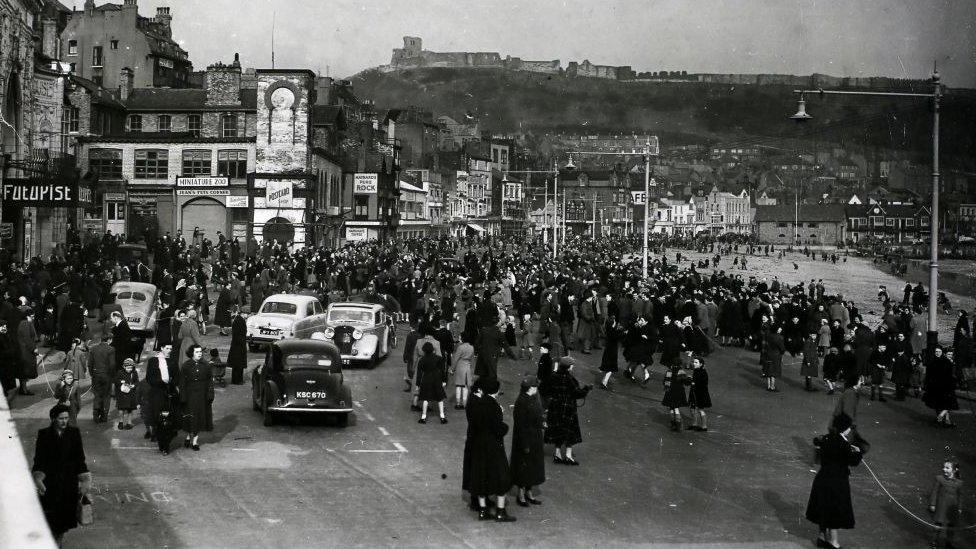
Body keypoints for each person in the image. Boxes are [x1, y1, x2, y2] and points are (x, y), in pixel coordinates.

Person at [32, 403, 92, 544]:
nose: (65, 421)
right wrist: (38, 478)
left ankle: (57, 542)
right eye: (61, 418)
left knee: (63, 523)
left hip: (68, 484)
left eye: (66, 418)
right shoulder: (44, 434)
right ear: (53, 419)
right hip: (50, 484)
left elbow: (80, 459)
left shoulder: (74, 433)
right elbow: (39, 460)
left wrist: (84, 479)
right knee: (51, 521)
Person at [805, 413, 863, 549]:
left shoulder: (826, 438)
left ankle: (821, 537)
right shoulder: (844, 444)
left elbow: (819, 452)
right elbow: (853, 461)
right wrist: (858, 452)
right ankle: (834, 542)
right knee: (834, 511)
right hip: (837, 481)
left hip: (822, 478)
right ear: (845, 428)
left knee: (823, 508)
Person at [465, 377, 516, 522]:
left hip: (478, 446)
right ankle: (501, 512)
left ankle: (483, 511)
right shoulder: (494, 406)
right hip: (493, 447)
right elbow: (499, 428)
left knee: (481, 477)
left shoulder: (477, 403)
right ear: (497, 391)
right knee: (501, 478)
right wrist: (505, 426)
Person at [543, 356, 591, 465]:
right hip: (568, 408)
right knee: (570, 432)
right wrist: (586, 389)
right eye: (572, 365)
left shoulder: (553, 376)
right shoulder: (569, 379)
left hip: (555, 407)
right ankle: (568, 456)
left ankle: (557, 454)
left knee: (558, 430)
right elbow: (577, 393)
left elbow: (545, 389)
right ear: (569, 367)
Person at [510, 377, 545, 507]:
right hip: (525, 439)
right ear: (530, 388)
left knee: (533, 467)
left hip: (535, 438)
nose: (536, 389)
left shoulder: (534, 398)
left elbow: (538, 414)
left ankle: (529, 492)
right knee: (523, 467)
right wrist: (525, 444)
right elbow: (520, 425)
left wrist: (542, 422)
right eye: (535, 387)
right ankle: (521, 493)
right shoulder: (521, 401)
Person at [179, 344, 214, 451]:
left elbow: (210, 381)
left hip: (202, 395)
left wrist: (210, 394)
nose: (200, 354)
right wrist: (183, 396)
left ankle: (195, 442)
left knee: (198, 417)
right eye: (197, 352)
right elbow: (182, 383)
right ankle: (188, 436)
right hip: (190, 395)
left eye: (200, 352)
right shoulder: (186, 366)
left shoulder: (206, 365)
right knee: (190, 417)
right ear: (192, 353)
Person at [145, 344, 179, 448]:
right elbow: (149, 378)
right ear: (162, 348)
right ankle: (159, 437)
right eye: (167, 348)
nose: (169, 351)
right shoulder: (153, 361)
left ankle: (165, 441)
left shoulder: (172, 361)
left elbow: (177, 376)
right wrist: (161, 382)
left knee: (170, 418)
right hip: (157, 392)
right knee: (158, 417)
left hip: (169, 392)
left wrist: (173, 384)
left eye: (171, 349)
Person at [928, 460, 963, 549]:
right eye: (944, 467)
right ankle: (934, 542)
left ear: (954, 470)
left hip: (951, 508)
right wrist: (932, 504)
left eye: (947, 468)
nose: (944, 469)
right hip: (941, 506)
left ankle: (948, 543)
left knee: (951, 527)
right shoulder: (939, 479)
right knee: (937, 525)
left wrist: (959, 508)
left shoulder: (959, 483)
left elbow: (960, 496)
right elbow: (934, 492)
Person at [924, 346, 959, 428]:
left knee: (948, 403)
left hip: (945, 386)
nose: (937, 353)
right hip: (935, 386)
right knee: (939, 404)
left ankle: (942, 419)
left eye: (939, 351)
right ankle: (943, 420)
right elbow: (929, 375)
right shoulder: (932, 361)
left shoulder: (946, 361)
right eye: (936, 351)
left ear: (942, 352)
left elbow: (950, 375)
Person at [415, 342, 448, 424]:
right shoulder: (439, 358)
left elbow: (419, 373)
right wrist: (444, 380)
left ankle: (423, 417)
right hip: (437, 379)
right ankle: (442, 416)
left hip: (426, 379)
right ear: (433, 349)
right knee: (440, 398)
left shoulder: (422, 360)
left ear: (424, 350)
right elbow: (443, 371)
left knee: (425, 399)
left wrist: (418, 384)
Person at [598, 315, 625, 389]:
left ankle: (604, 381)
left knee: (608, 368)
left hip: (607, 351)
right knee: (611, 369)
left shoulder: (609, 330)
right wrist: (622, 331)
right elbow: (618, 336)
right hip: (612, 352)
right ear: (613, 324)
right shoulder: (614, 332)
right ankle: (604, 382)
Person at [662, 361, 689, 432]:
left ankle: (672, 425)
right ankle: (678, 426)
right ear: (680, 364)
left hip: (670, 391)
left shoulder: (669, 371)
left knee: (671, 408)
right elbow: (686, 382)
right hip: (678, 392)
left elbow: (665, 382)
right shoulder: (681, 371)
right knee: (676, 408)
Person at [17, 308, 38, 396]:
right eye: (32, 316)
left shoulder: (25, 323)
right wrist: (33, 348)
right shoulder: (25, 324)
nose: (33, 318)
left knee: (24, 371)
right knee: (25, 371)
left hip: (25, 350)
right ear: (27, 316)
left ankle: (23, 389)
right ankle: (24, 390)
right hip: (25, 351)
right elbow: (27, 339)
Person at [686, 356, 711, 432]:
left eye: (696, 362)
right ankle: (694, 424)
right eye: (694, 362)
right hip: (694, 392)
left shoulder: (703, 372)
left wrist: (693, 383)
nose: (694, 363)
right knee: (692, 408)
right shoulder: (696, 370)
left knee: (700, 409)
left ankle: (704, 426)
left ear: (701, 364)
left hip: (700, 394)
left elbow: (703, 384)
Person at [452, 332, 475, 409]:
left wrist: (452, 369)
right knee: (465, 386)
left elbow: (455, 359)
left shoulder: (460, 347)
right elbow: (472, 360)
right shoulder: (472, 347)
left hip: (460, 366)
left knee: (458, 385)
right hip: (467, 367)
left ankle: (458, 403)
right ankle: (464, 403)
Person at [115, 358, 140, 430]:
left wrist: (134, 385)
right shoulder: (120, 372)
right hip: (122, 393)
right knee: (121, 408)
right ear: (124, 367)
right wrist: (121, 382)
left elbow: (137, 381)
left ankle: (129, 422)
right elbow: (116, 381)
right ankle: (121, 422)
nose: (129, 369)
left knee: (130, 409)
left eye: (131, 368)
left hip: (131, 393)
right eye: (128, 368)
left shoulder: (134, 372)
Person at [227, 307, 248, 384]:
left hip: (236, 345)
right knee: (239, 365)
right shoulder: (240, 320)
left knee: (236, 365)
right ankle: (238, 380)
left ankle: (235, 380)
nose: (247, 316)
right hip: (239, 345)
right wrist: (243, 343)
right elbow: (240, 334)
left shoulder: (237, 320)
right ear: (243, 314)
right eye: (247, 314)